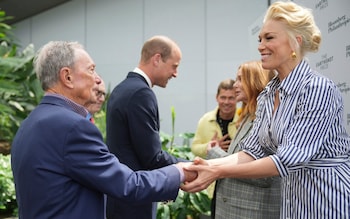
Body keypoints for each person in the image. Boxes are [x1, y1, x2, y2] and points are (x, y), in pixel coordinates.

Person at [182, 1, 350, 219]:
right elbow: (251, 152)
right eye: (260, 39)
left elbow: (287, 160)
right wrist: (205, 165)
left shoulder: (317, 89)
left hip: (327, 204)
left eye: (269, 38)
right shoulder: (268, 94)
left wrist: (216, 170)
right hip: (293, 207)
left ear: (295, 42)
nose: (261, 45)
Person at [10, 41, 196, 219]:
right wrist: (179, 171)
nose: (98, 79)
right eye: (91, 70)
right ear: (67, 77)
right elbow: (128, 185)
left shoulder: (29, 123)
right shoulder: (73, 127)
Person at [106, 35, 187, 219]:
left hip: (119, 197)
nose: (175, 74)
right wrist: (191, 166)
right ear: (157, 59)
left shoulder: (122, 88)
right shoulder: (141, 93)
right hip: (134, 202)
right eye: (174, 66)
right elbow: (153, 157)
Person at [206, 61, 279, 219]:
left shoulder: (270, 118)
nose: (235, 85)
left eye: (240, 79)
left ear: (256, 81)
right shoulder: (248, 116)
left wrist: (214, 153)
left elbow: (265, 175)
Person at [191, 78, 238, 159]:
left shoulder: (244, 120)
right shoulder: (205, 120)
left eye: (231, 98)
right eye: (223, 97)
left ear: (237, 98)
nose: (226, 102)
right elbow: (194, 148)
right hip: (212, 168)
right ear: (217, 97)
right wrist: (211, 147)